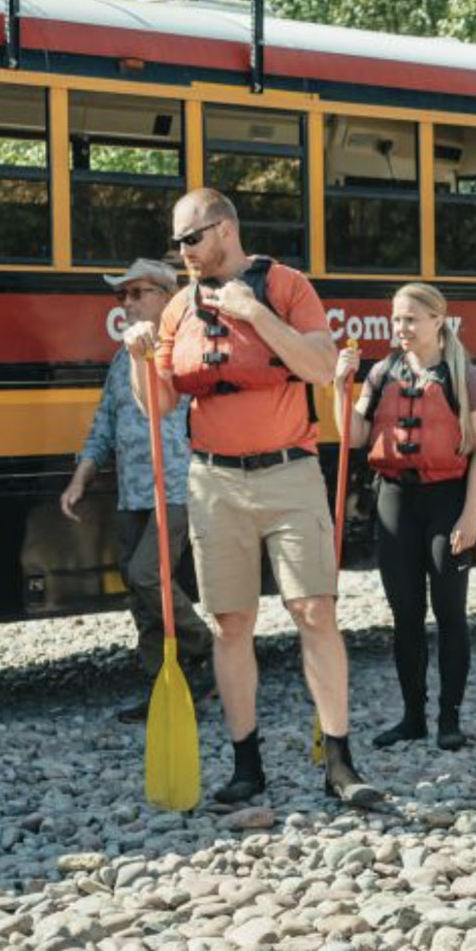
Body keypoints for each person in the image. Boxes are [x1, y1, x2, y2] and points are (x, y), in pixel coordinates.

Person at [123, 188, 379, 808]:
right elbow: (158, 404)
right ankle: (247, 766)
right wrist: (138, 358)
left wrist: (254, 313)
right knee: (231, 623)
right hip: (213, 481)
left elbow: (321, 368)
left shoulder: (286, 286)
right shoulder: (179, 309)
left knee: (314, 611)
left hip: (289, 474)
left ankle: (339, 760)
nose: (182, 252)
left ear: (225, 229)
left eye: (191, 239)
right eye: (178, 241)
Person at [334, 283, 476, 753]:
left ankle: (450, 718)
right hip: (395, 499)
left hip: (447, 499)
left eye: (410, 319)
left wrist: (470, 515)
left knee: (449, 613)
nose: (400, 328)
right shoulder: (383, 372)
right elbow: (354, 434)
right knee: (405, 614)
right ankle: (412, 717)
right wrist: (339, 387)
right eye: (396, 319)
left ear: (436, 321)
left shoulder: (465, 376)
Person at [63, 259, 215, 722]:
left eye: (136, 294)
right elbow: (104, 423)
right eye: (121, 296)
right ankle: (162, 687)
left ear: (167, 297)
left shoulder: (189, 348)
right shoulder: (121, 356)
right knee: (138, 589)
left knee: (149, 576)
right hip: (132, 490)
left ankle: (210, 649)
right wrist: (80, 478)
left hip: (178, 486)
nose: (126, 304)